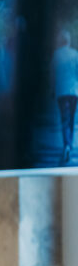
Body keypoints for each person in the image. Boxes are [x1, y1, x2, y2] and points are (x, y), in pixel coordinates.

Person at [52, 28, 78, 164]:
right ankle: (70, 145)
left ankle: (66, 145)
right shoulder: (75, 54)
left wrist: (52, 90)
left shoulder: (56, 55)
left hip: (61, 91)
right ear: (69, 41)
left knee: (64, 119)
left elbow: (52, 74)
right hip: (73, 91)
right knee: (72, 119)